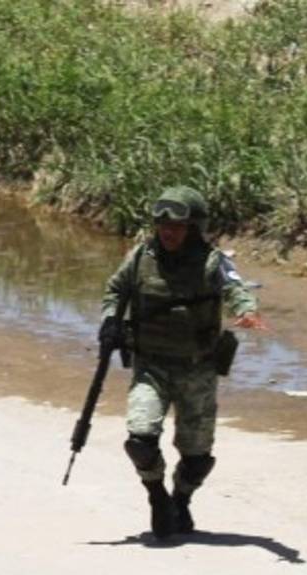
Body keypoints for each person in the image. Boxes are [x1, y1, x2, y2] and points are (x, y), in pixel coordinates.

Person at [100, 186, 264, 538]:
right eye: (163, 226)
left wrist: (247, 311)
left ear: (193, 228)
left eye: (177, 227)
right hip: (151, 367)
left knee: (198, 456)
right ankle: (157, 496)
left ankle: (182, 499)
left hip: (198, 369)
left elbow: (236, 289)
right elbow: (115, 290)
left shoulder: (212, 261)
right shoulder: (140, 257)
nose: (169, 233)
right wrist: (110, 321)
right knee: (140, 439)